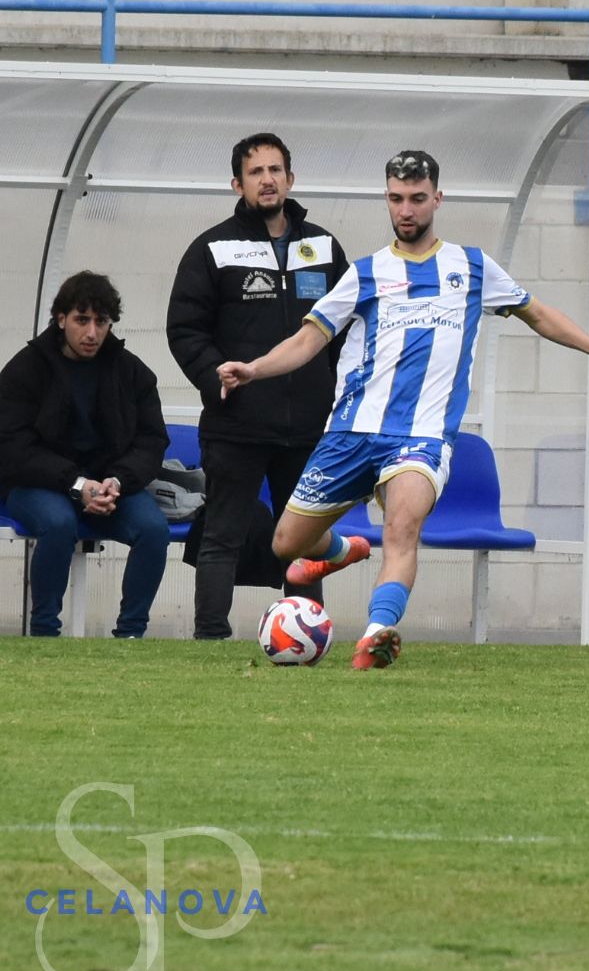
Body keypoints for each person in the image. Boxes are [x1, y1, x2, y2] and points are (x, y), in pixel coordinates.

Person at [217, 150, 589, 669]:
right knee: (286, 544)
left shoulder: (473, 267)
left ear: (437, 197)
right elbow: (306, 342)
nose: (405, 210)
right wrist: (253, 369)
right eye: (395, 199)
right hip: (351, 432)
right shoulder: (365, 273)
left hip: (421, 436)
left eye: (415, 199)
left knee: (402, 527)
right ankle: (342, 551)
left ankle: (377, 633)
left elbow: (538, 315)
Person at [167, 132, 351, 639]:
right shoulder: (212, 248)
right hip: (237, 424)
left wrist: (336, 394)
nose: (267, 180)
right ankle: (210, 636)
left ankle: (305, 637)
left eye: (275, 170)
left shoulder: (324, 246)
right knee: (223, 535)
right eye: (256, 172)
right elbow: (185, 329)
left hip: (309, 429)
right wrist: (213, 375)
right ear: (237, 184)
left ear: (291, 179)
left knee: (304, 540)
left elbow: (347, 329)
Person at [0, 271, 170, 638]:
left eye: (101, 321)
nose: (92, 333)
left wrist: (117, 481)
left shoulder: (132, 372)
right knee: (59, 524)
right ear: (61, 319)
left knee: (154, 530)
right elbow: (12, 447)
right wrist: (76, 484)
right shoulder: (25, 370)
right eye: (82, 320)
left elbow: (152, 441)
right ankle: (45, 632)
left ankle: (130, 635)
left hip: (111, 487)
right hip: (39, 484)